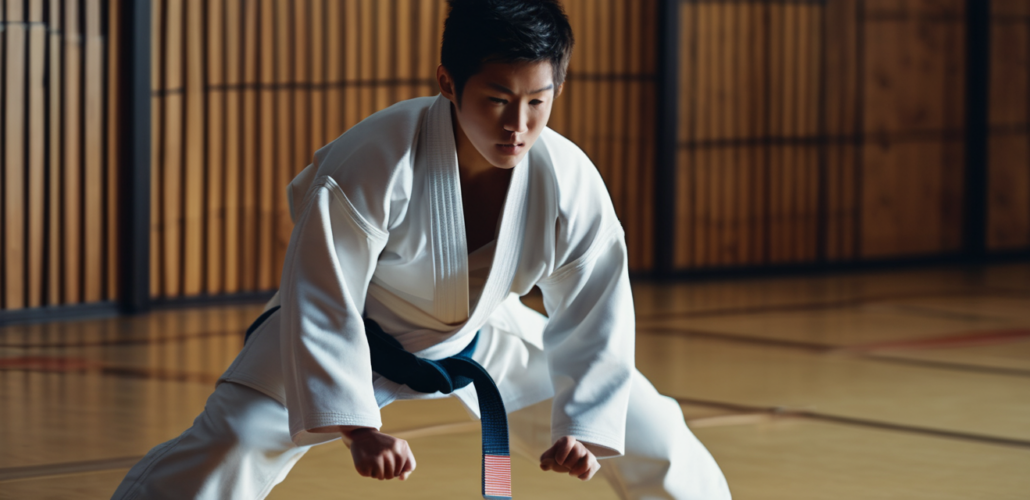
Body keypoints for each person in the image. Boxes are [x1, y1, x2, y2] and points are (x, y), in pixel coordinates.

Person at [111, 1, 730, 498]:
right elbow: (321, 296)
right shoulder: (375, 158)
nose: (517, 125)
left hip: (480, 335)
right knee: (229, 450)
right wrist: (357, 428)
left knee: (657, 434)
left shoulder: (568, 181)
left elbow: (596, 309)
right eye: (497, 99)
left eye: (537, 102)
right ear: (448, 83)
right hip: (352, 332)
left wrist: (584, 426)